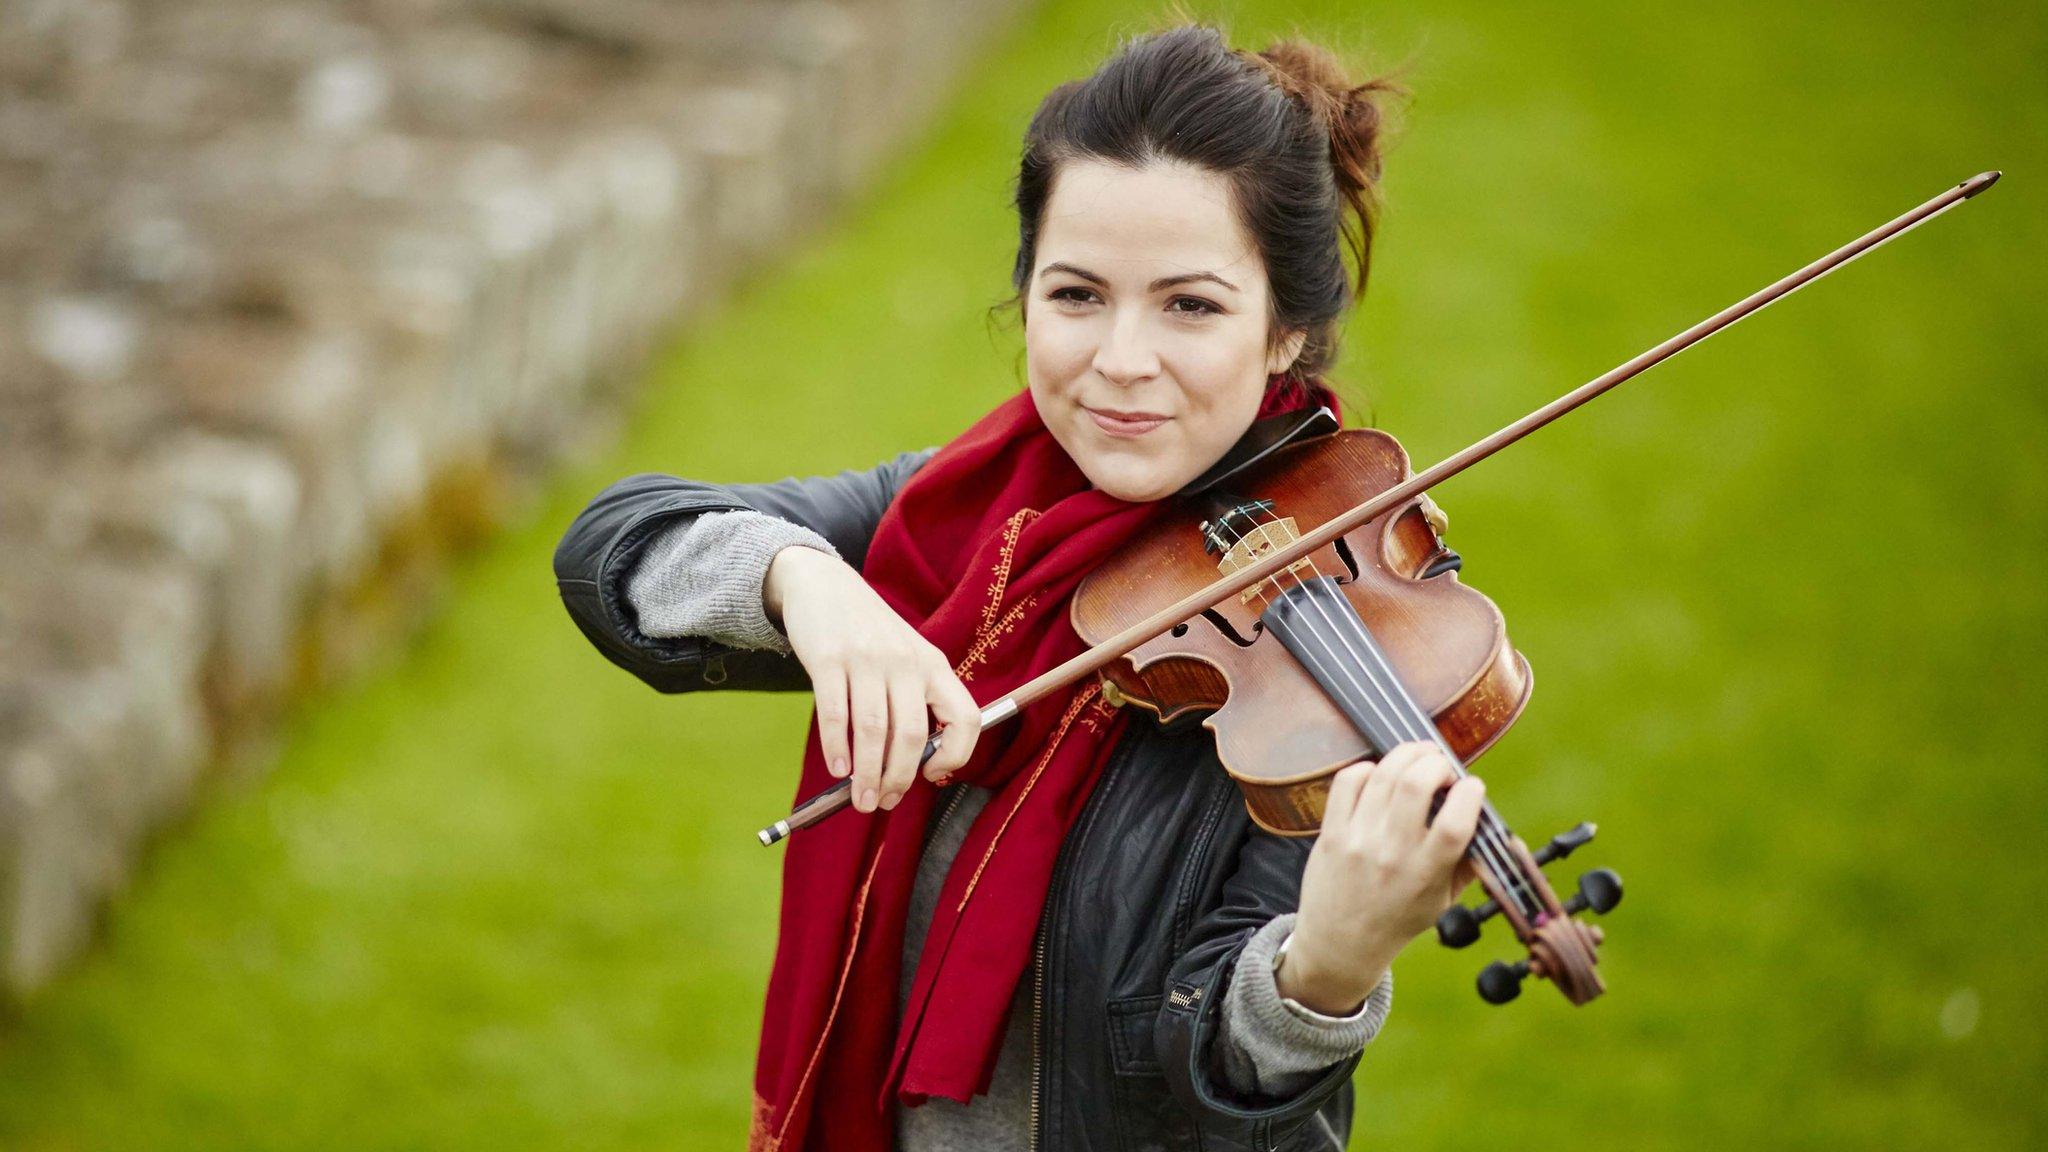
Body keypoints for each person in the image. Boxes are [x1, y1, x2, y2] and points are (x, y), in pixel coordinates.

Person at [553, 22, 1485, 1152]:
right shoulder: (964, 522)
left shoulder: (1341, 655)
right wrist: (813, 587)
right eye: (1077, 294)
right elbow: (618, 548)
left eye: (1188, 305)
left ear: (1285, 328)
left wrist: (1322, 975)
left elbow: (1214, 1095)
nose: (1119, 360)